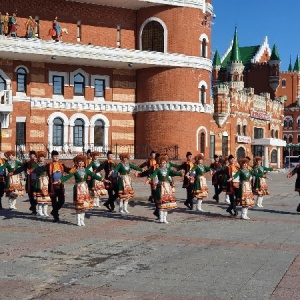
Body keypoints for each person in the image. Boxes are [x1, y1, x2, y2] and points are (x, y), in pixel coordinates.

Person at [54, 155, 107, 226]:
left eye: (82, 161)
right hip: (78, 188)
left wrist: (103, 179)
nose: (81, 163)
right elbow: (67, 177)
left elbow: (94, 175)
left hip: (84, 188)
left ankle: (82, 220)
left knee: (84, 206)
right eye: (79, 162)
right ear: (77, 163)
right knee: (79, 205)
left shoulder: (86, 170)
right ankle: (78, 220)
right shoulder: (74, 170)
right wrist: (59, 181)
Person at [32, 150, 71, 222]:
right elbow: (38, 169)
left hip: (60, 186)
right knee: (54, 202)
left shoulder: (61, 165)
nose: (56, 158)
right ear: (52, 157)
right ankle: (56, 217)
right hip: (52, 187)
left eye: (57, 156)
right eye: (54, 157)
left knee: (62, 201)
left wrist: (75, 168)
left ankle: (54, 211)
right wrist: (34, 175)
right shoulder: (49, 165)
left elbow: (69, 170)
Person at [146, 155, 184, 224]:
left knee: (166, 203)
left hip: (167, 186)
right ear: (159, 163)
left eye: (164, 163)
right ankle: (161, 218)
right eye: (161, 163)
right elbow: (153, 175)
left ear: (166, 163)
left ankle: (165, 218)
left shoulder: (168, 170)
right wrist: (148, 179)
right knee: (161, 203)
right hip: (160, 186)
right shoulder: (158, 170)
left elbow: (174, 173)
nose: (163, 164)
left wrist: (181, 173)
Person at [13, 150, 38, 215]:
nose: (32, 156)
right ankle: (34, 209)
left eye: (33, 155)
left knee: (37, 195)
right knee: (30, 195)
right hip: (29, 181)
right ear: (29, 156)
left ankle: (34, 205)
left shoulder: (38, 163)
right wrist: (14, 172)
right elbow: (21, 168)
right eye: (31, 155)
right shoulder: (27, 163)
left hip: (37, 181)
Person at [33, 151, 52, 217]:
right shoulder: (36, 165)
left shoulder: (47, 165)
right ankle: (40, 211)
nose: (41, 159)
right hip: (39, 181)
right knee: (40, 198)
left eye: (43, 157)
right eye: (40, 157)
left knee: (46, 198)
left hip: (46, 181)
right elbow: (33, 174)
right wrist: (34, 181)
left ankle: (45, 211)